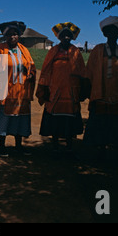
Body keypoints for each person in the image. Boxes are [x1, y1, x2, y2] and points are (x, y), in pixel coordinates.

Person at [83, 16, 118, 161]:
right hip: (101, 93)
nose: (111, 35)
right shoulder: (98, 50)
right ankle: (101, 150)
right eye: (109, 32)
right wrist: (88, 91)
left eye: (115, 32)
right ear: (105, 34)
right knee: (101, 124)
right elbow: (89, 71)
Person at [0, 21, 36, 157]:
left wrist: (30, 72)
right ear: (5, 36)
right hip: (4, 91)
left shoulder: (24, 50)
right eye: (9, 34)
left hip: (20, 91)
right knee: (2, 119)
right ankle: (2, 147)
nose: (12, 37)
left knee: (19, 118)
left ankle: (18, 146)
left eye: (15, 34)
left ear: (19, 35)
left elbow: (31, 65)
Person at [36, 22, 86, 155]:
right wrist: (44, 88)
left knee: (69, 122)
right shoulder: (53, 51)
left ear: (72, 37)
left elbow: (82, 72)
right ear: (59, 37)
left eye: (69, 36)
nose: (66, 38)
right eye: (64, 36)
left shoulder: (76, 52)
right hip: (55, 93)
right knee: (55, 122)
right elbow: (46, 71)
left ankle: (69, 146)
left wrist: (83, 90)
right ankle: (55, 147)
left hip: (71, 94)